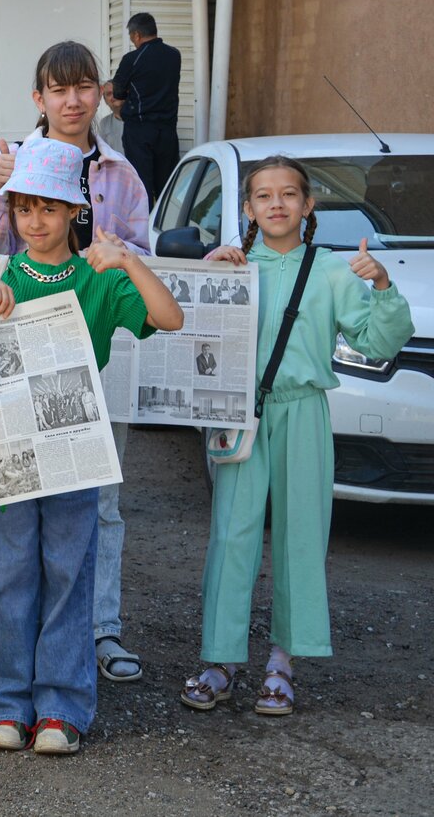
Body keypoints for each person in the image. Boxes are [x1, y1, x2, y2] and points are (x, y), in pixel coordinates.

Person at [0, 138, 182, 757]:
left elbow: (168, 318)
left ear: (75, 213)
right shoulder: (6, 274)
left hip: (73, 448)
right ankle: (7, 702)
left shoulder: (98, 279)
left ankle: (63, 706)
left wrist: (127, 261)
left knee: (70, 572)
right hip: (6, 445)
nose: (34, 222)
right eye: (23, 210)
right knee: (8, 571)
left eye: (49, 209)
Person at [182, 157, 411, 718]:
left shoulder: (332, 270)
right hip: (239, 414)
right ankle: (221, 660)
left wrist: (382, 285)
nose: (277, 204)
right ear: (248, 208)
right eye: (264, 196)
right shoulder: (232, 267)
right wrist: (210, 273)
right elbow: (187, 339)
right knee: (232, 535)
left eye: (289, 195)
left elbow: (379, 343)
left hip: (304, 410)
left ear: (308, 206)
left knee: (299, 535)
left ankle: (282, 663)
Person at [0, 40, 152, 686]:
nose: (74, 100)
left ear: (101, 92)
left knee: (97, 501)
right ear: (39, 98)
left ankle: (98, 630)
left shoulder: (121, 175)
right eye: (59, 88)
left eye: (86, 87)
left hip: (93, 353)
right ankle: (25, 659)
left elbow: (141, 259)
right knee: (17, 517)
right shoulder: (11, 162)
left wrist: (117, 257)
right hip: (17, 366)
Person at [102, 12, 181, 204]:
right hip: (167, 129)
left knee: (141, 182)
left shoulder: (133, 58)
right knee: (166, 183)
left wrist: (126, 95)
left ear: (136, 34)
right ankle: (163, 226)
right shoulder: (174, 55)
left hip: (140, 129)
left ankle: (143, 226)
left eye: (131, 37)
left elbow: (118, 89)